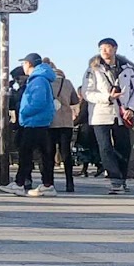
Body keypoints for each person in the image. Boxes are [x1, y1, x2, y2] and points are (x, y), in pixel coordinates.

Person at [81, 37, 134, 194]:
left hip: (122, 113)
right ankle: (114, 179)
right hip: (100, 113)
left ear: (115, 48)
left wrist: (131, 109)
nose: (105, 51)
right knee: (105, 147)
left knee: (124, 146)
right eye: (102, 49)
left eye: (108, 48)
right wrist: (107, 97)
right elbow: (86, 93)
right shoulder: (93, 69)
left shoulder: (127, 69)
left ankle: (122, 177)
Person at [3, 53, 57, 196]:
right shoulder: (42, 79)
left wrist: (24, 112)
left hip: (33, 122)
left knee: (26, 153)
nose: (23, 67)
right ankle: (47, 184)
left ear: (29, 64)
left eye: (24, 63)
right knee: (43, 155)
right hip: (41, 121)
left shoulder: (37, 80)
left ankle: (20, 183)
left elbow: (38, 102)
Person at [46, 59, 81, 192]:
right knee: (66, 152)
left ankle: (49, 182)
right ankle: (69, 182)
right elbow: (75, 100)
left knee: (49, 152)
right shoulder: (67, 83)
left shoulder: (47, 83)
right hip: (66, 122)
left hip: (50, 122)